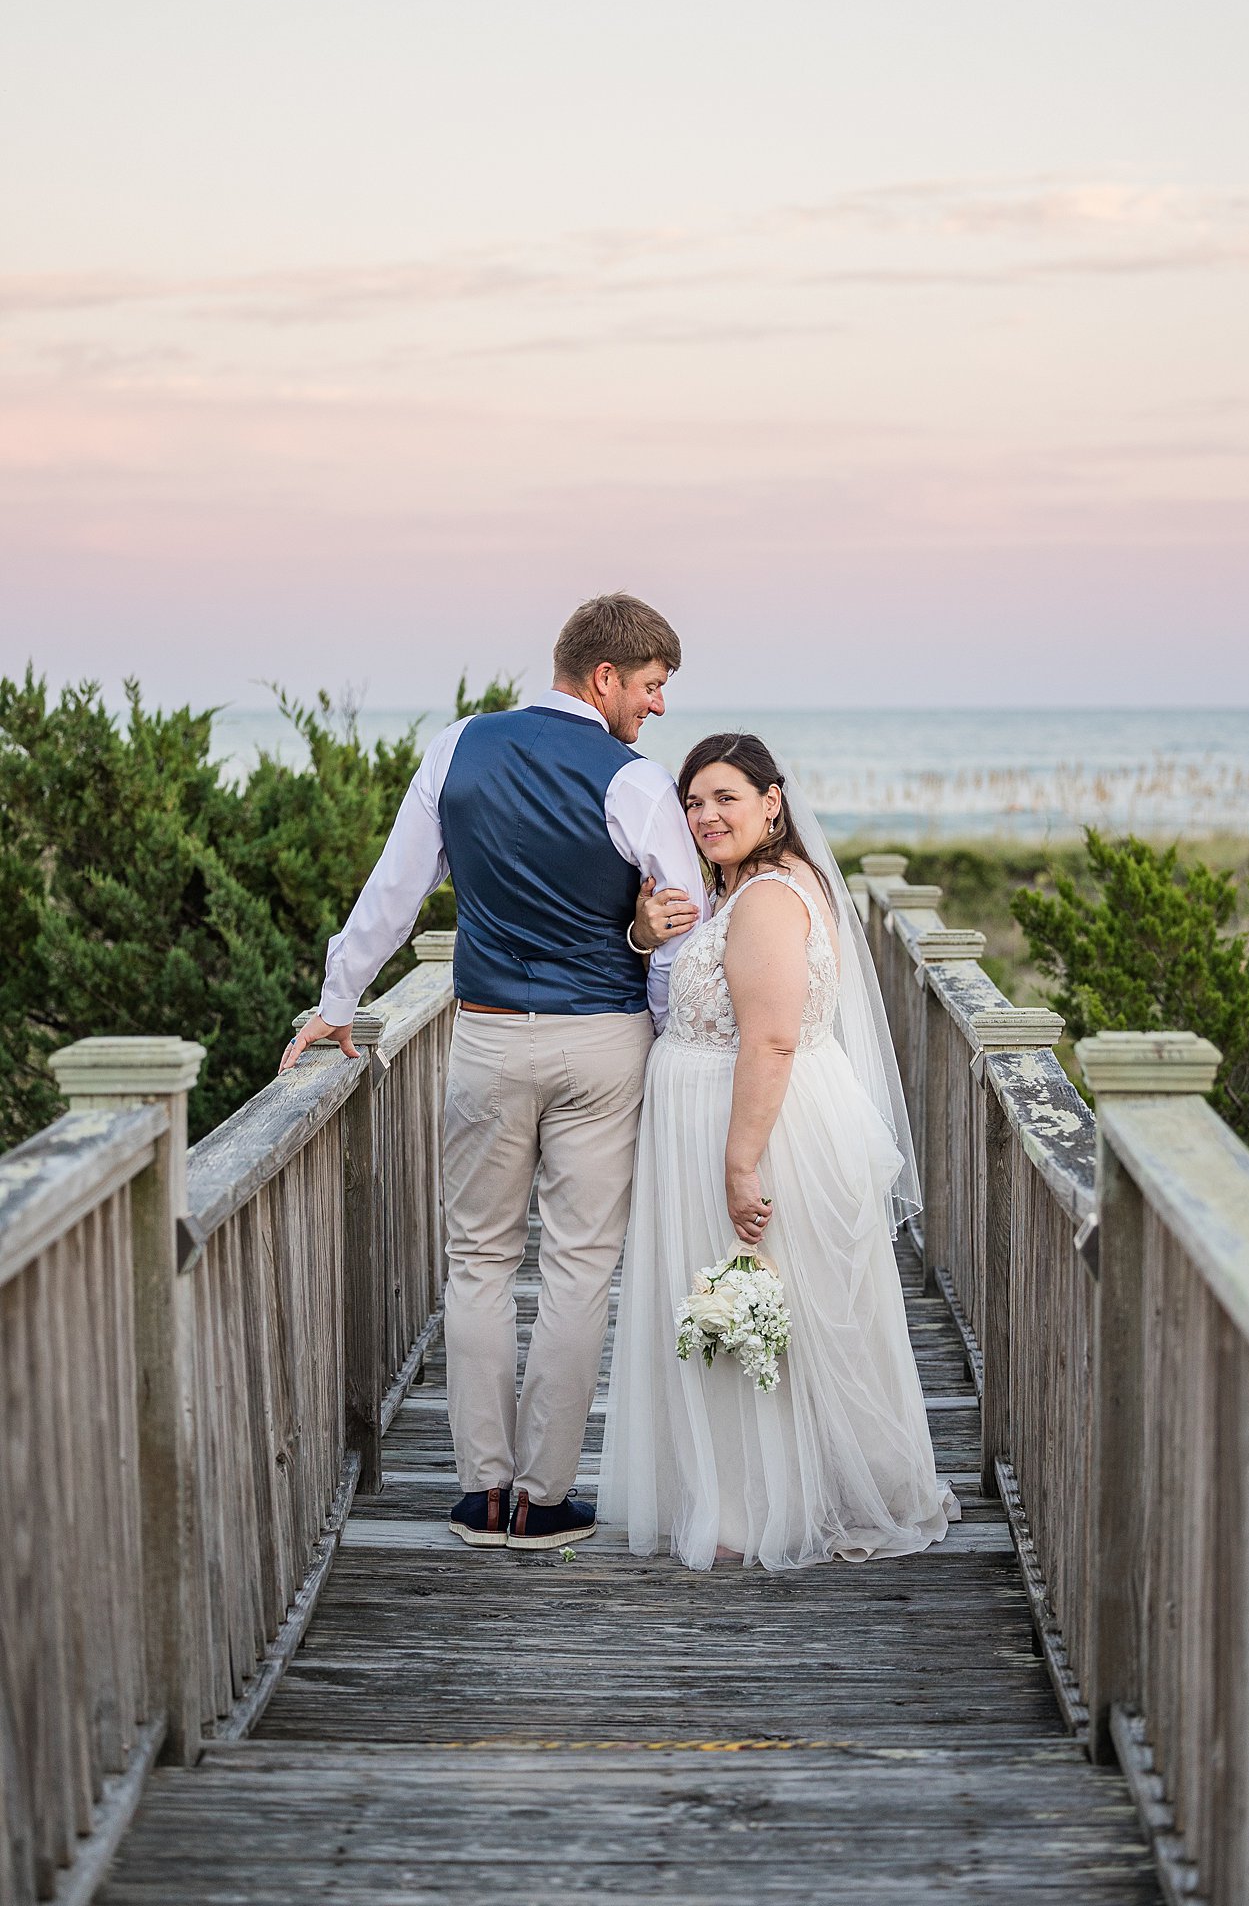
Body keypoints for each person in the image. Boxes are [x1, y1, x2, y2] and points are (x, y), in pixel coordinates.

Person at [281, 593, 705, 1551]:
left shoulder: (456, 747)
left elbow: (394, 892)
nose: (657, 706)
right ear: (604, 679)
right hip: (603, 1042)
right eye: (650, 686)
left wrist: (337, 1003)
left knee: (476, 1262)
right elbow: (685, 930)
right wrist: (673, 1034)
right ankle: (544, 1500)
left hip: (484, 1037)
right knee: (578, 1266)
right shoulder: (633, 779)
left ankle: (481, 1494)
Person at [600, 732, 959, 1570]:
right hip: (737, 1118)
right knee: (758, 1309)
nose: (704, 816)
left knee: (751, 1304)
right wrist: (644, 938)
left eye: (725, 797)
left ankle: (758, 1507)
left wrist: (738, 1162)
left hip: (756, 1126)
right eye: (692, 802)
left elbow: (768, 1042)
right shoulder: (750, 887)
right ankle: (755, 1493)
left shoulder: (764, 898)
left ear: (772, 801)